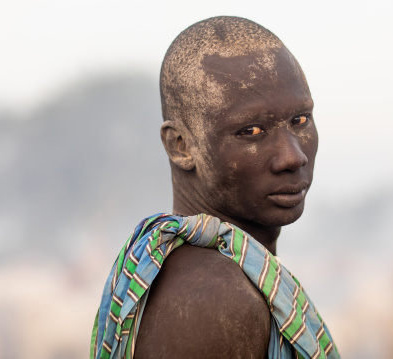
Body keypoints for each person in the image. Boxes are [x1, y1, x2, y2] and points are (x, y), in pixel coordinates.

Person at [91, 16, 339, 359]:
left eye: (299, 121)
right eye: (252, 131)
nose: (293, 157)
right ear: (181, 145)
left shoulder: (225, 276)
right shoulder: (214, 297)